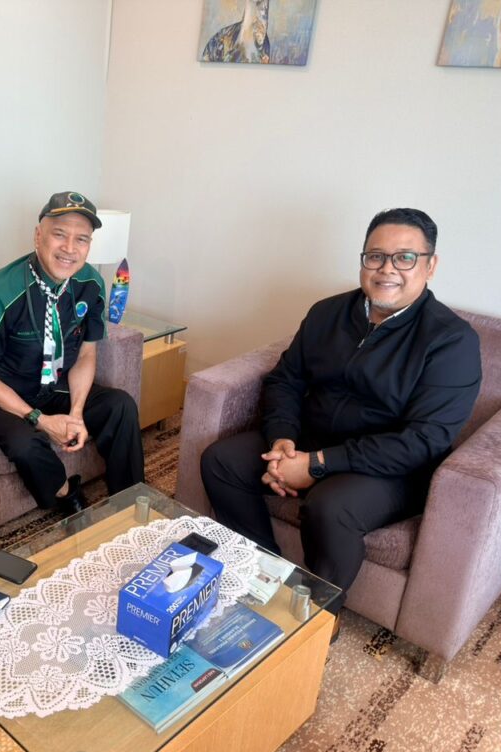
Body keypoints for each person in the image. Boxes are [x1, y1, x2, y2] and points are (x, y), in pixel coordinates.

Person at [200, 208, 482, 620]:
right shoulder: (328, 312)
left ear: (430, 265)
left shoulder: (451, 340)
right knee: (221, 460)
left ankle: (319, 613)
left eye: (405, 258)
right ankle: (268, 573)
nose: (387, 269)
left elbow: (424, 440)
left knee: (330, 505)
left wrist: (315, 465)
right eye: (376, 256)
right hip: (313, 437)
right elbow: (285, 379)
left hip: (391, 466)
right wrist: (283, 440)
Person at [0, 191, 145, 514]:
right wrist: (41, 421)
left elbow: (85, 354)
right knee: (24, 443)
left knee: (120, 406)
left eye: (81, 239)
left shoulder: (91, 284)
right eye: (59, 234)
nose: (70, 248)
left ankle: (132, 504)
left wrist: (76, 413)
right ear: (38, 236)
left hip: (52, 385)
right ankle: (67, 496)